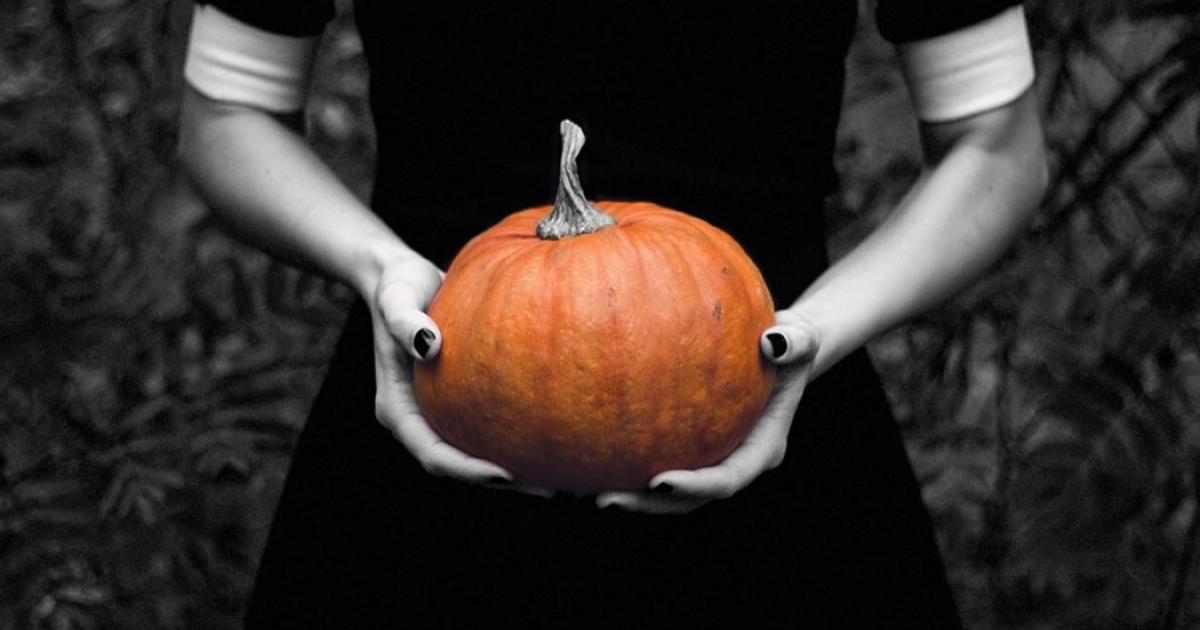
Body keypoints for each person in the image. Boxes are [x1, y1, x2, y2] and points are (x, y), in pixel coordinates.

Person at [179, 1, 1046, 627]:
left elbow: (997, 145)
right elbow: (228, 113)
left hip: (770, 403)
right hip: (435, 383)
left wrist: (814, 333)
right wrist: (381, 270)